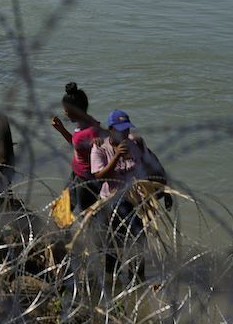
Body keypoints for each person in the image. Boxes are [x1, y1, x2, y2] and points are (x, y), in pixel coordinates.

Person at [90, 110, 169, 281]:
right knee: (113, 250)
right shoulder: (100, 149)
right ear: (110, 129)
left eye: (126, 130)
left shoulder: (136, 143)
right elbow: (100, 176)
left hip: (138, 204)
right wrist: (117, 155)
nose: (124, 134)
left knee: (139, 242)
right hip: (112, 206)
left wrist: (164, 189)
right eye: (120, 130)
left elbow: (152, 165)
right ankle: (114, 289)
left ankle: (138, 284)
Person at [51, 82, 104, 212]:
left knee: (87, 216)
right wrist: (61, 129)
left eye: (67, 111)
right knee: (63, 210)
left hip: (86, 181)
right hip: (76, 173)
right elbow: (77, 145)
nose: (65, 114)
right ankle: (61, 233)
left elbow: (101, 156)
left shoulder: (92, 131)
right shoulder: (86, 122)